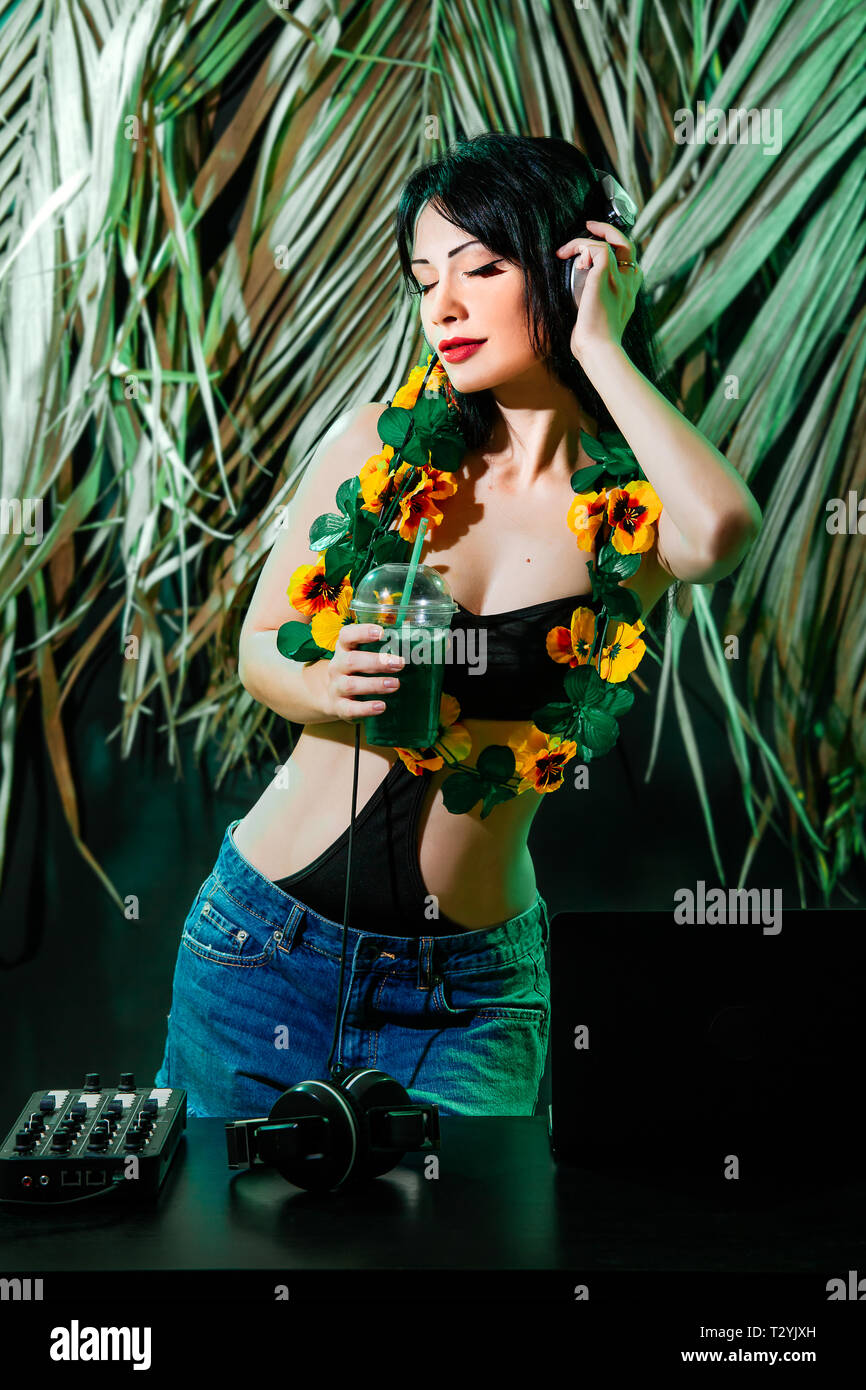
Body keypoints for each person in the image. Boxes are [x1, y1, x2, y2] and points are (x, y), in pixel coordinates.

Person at [154, 133, 760, 1119]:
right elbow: (257, 645)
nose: (442, 305)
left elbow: (723, 528)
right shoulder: (373, 445)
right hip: (261, 949)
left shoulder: (631, 513)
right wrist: (318, 684)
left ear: (573, 267)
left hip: (465, 996)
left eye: (482, 267)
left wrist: (597, 344)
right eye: (424, 277)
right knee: (217, 1257)